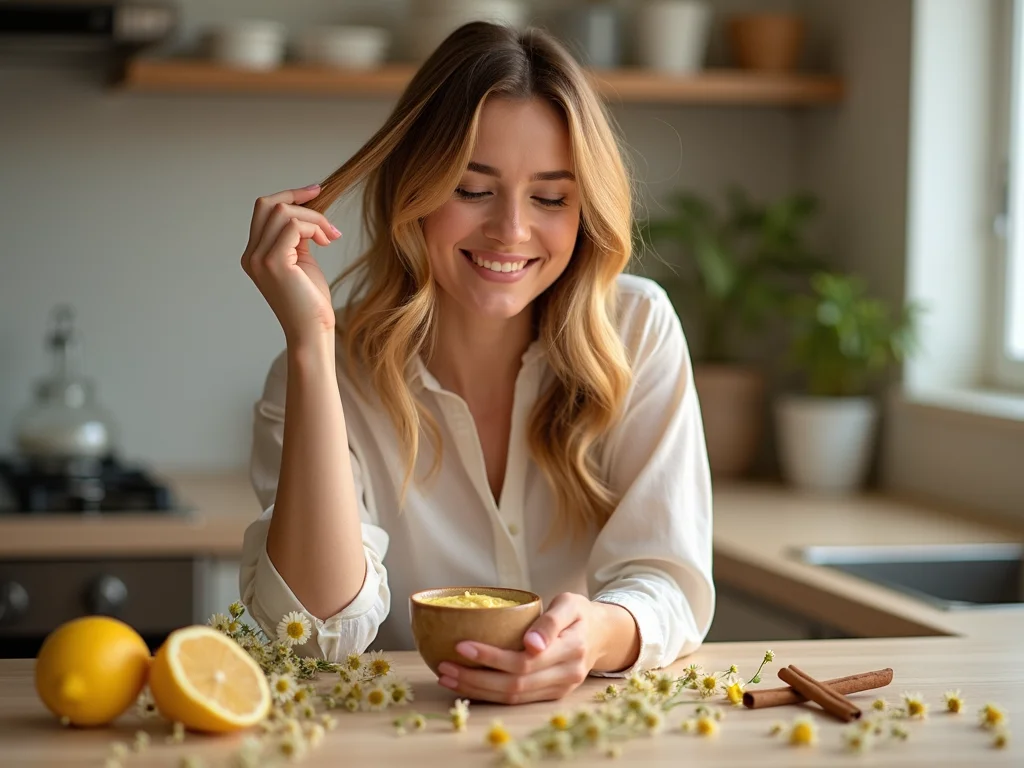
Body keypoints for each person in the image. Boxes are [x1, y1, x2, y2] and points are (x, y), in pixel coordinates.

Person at [238, 21, 714, 705]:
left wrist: (594, 638)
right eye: (471, 189)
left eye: (551, 198)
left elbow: (669, 581)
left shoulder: (636, 329)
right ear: (414, 190)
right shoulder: (320, 376)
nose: (512, 231)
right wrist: (313, 341)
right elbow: (310, 634)